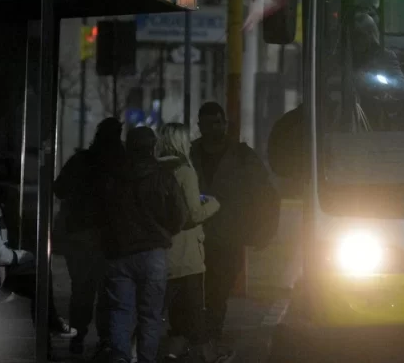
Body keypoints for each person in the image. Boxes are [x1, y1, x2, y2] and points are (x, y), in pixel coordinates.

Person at [191, 103, 277, 345]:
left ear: (224, 124)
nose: (214, 128)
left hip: (230, 236)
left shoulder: (241, 155)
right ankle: (206, 333)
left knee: (220, 288)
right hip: (196, 236)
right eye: (208, 123)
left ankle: (211, 331)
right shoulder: (190, 154)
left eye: (218, 122)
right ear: (200, 126)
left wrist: (264, 230)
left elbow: (265, 193)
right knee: (200, 289)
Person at [101, 127, 189, 363]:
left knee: (120, 311)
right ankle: (145, 359)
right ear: (152, 147)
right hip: (153, 254)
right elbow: (181, 215)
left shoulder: (113, 177)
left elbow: (102, 214)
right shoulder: (163, 176)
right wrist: (165, 232)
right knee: (150, 316)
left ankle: (120, 358)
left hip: (119, 253)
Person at [156, 123, 230, 362]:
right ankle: (208, 356)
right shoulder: (185, 171)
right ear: (179, 142)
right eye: (186, 140)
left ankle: (171, 351)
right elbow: (194, 215)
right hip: (187, 253)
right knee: (196, 308)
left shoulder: (156, 169)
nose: (190, 143)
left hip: (162, 251)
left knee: (170, 309)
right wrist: (214, 203)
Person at [54, 117, 123, 356]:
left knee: (82, 290)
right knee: (107, 291)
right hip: (109, 236)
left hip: (80, 235)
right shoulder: (121, 163)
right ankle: (105, 340)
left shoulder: (81, 160)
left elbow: (59, 188)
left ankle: (78, 337)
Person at [0, 183, 78, 353]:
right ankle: (50, 331)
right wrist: (27, 255)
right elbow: (0, 255)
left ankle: (48, 337)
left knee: (41, 280)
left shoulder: (11, 218)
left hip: (7, 271)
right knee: (38, 284)